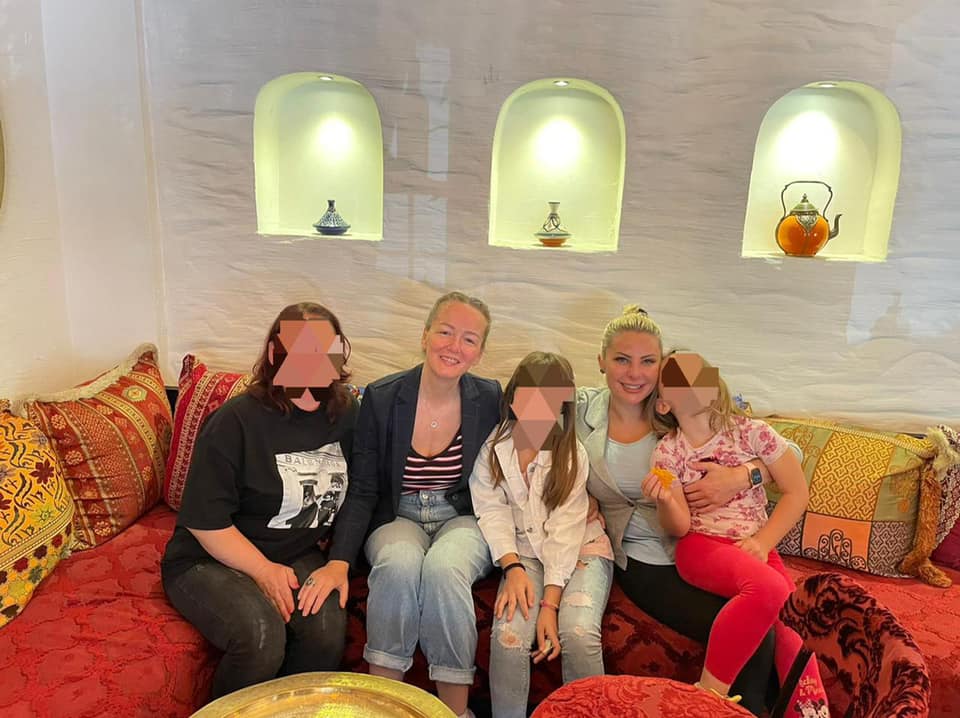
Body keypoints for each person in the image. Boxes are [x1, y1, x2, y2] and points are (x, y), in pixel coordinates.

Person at [576, 305, 799, 715]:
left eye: (648, 361)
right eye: (622, 359)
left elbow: (789, 454)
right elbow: (532, 426)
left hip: (708, 544)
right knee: (757, 625)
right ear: (601, 361)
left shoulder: (688, 410)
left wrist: (742, 476)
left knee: (763, 619)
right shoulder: (581, 410)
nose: (634, 373)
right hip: (645, 555)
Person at [307, 291, 502, 718]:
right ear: (425, 334)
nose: (454, 346)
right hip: (399, 514)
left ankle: (453, 713)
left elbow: (523, 462)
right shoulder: (381, 397)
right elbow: (362, 488)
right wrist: (339, 560)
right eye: (445, 332)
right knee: (397, 565)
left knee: (445, 569)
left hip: (461, 515)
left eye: (469, 339)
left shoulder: (490, 398)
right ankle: (385, 707)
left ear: (480, 352)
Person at [161, 302, 358, 699]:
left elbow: (361, 493)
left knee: (325, 630)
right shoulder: (235, 421)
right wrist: (263, 570)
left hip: (295, 551)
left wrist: (339, 562)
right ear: (274, 354)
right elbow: (204, 521)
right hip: (209, 558)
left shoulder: (347, 413)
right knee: (261, 635)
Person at [647, 351, 824, 708]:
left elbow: (797, 491)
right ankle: (708, 697)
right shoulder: (668, 452)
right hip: (700, 546)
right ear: (664, 404)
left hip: (753, 545)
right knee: (770, 588)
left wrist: (763, 542)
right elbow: (679, 527)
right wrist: (664, 501)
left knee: (795, 630)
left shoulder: (753, 433)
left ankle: (814, 713)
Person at [470, 352, 614, 718]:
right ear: (513, 397)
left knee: (578, 633)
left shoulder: (571, 454)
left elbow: (565, 534)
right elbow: (491, 510)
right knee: (508, 637)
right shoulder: (494, 448)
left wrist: (549, 606)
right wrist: (512, 567)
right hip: (525, 554)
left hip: (581, 549)